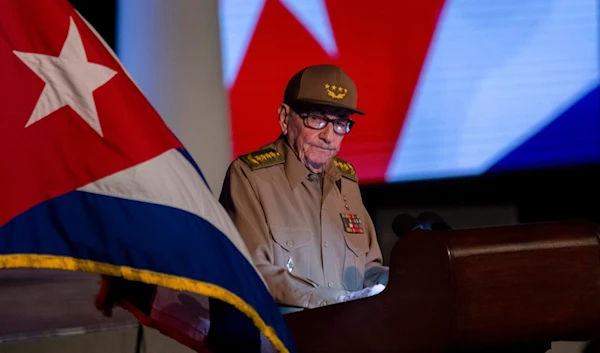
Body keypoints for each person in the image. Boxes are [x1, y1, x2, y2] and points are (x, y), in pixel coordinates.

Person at [219, 64, 388, 311]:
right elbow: (251, 271)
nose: (329, 136)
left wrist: (402, 283)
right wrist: (327, 300)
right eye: (317, 119)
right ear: (285, 118)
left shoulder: (347, 182)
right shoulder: (250, 176)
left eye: (340, 123)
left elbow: (368, 270)